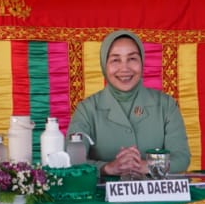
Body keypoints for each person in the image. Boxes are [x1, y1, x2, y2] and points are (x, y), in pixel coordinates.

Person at [68, 30, 191, 178]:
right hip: (102, 192)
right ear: (104, 65)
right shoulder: (87, 109)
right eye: (115, 60)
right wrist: (107, 168)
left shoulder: (166, 105)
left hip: (154, 191)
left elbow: (181, 158)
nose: (125, 68)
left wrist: (148, 166)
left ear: (142, 62)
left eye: (132, 58)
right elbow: (71, 161)